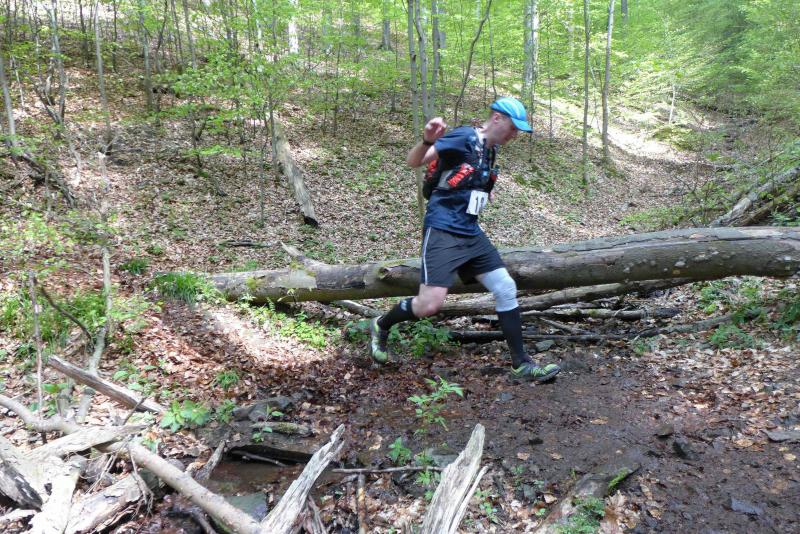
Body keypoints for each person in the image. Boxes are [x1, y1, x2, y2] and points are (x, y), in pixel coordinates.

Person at [369, 97, 561, 383]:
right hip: (443, 230)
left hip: (470, 232)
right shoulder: (463, 137)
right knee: (429, 305)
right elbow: (414, 161)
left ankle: (521, 364)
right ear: (497, 118)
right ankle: (381, 324)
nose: (515, 134)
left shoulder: (490, 150)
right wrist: (427, 140)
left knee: (505, 287)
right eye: (513, 127)